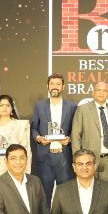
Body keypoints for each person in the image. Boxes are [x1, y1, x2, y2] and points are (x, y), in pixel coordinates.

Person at [31, 73, 77, 206]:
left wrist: (70, 139)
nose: (55, 86)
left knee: (66, 194)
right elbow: (34, 127)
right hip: (45, 156)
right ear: (47, 86)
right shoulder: (39, 106)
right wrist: (38, 138)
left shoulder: (72, 106)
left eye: (58, 84)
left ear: (63, 87)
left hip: (64, 156)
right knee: (45, 194)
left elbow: (76, 128)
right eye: (52, 84)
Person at [71, 81, 108, 182]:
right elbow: (75, 136)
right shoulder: (82, 109)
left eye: (104, 91)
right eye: (98, 90)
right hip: (88, 159)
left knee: (107, 189)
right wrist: (78, 159)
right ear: (93, 93)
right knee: (89, 188)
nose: (101, 93)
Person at [0, 95, 31, 178]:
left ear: (12, 108)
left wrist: (26, 171)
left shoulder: (20, 125)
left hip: (14, 165)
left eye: (7, 105)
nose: (4, 108)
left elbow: (26, 148)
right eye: (1, 105)